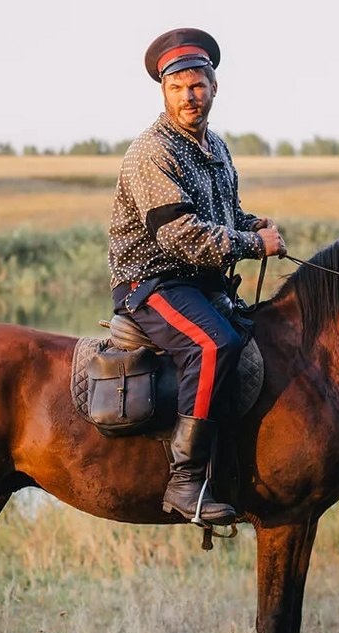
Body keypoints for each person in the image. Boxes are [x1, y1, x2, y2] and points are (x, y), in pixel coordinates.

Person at [108, 27, 285, 526]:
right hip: (153, 282)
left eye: (198, 85)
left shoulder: (217, 147)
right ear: (163, 91)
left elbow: (223, 214)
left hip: (202, 282)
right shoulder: (151, 151)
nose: (190, 96)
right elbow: (181, 236)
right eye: (178, 87)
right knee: (214, 345)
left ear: (214, 87)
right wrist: (254, 245)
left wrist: (255, 225)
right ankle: (185, 483)